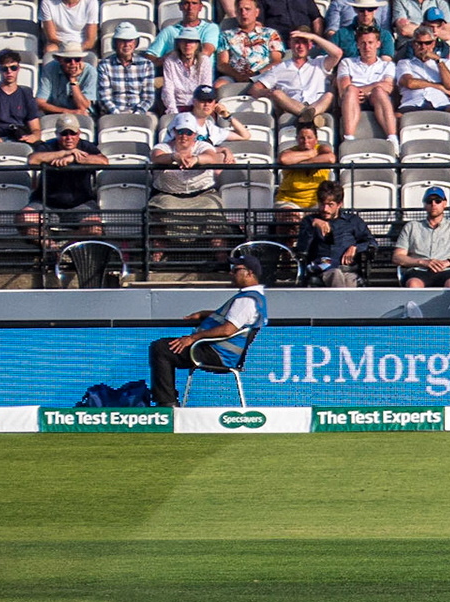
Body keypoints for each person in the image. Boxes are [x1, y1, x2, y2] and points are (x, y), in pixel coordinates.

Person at [147, 253, 266, 405]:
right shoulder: (255, 297)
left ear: (249, 273)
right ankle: (167, 402)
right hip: (219, 352)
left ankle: (167, 405)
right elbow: (233, 318)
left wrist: (192, 338)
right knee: (164, 347)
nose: (231, 273)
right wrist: (205, 314)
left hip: (217, 354)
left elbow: (227, 330)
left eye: (236, 270)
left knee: (161, 348)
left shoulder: (246, 300)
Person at [149, 114, 229, 256]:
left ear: (195, 134)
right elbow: (156, 156)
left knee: (215, 210)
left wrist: (196, 159)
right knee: (158, 211)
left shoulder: (203, 146)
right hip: (169, 195)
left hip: (202, 194)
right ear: (174, 132)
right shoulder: (163, 146)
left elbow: (210, 156)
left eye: (188, 132)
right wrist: (174, 157)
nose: (184, 136)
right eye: (180, 132)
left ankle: (221, 260)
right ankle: (155, 260)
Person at [23, 113, 106, 242]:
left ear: (78, 133)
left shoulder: (86, 146)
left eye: (72, 133)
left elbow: (103, 161)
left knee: (95, 229)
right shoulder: (48, 146)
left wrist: (74, 158)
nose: (69, 138)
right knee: (23, 219)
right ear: (57, 134)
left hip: (81, 204)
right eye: (64, 133)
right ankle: (51, 247)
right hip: (47, 203)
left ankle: (64, 245)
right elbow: (33, 160)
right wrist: (64, 153)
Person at [295, 177, 373, 283]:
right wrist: (313, 226)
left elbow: (371, 243)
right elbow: (302, 249)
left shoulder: (353, 221)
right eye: (322, 204)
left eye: (330, 205)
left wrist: (355, 247)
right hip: (322, 269)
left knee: (349, 281)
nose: (325, 209)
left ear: (339, 204)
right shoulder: (309, 221)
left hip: (348, 269)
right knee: (335, 274)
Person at [392, 185, 450, 283]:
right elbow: (397, 257)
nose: (433, 204)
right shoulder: (411, 227)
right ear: (424, 204)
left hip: (448, 270)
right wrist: (422, 262)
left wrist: (447, 263)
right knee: (413, 283)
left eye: (438, 201)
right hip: (419, 270)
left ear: (444, 203)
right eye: (429, 201)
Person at [326, 23, 396, 135]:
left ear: (378, 44)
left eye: (370, 43)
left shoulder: (387, 65)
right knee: (351, 92)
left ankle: (392, 138)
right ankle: (349, 137)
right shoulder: (347, 63)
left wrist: (361, 90)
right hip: (353, 101)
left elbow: (388, 87)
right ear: (357, 44)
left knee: (379, 92)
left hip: (377, 100)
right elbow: (344, 90)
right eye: (363, 43)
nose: (367, 47)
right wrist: (375, 85)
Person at [251, 30, 333, 120]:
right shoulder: (279, 68)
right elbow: (254, 89)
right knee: (277, 93)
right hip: (293, 107)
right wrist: (267, 92)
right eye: (297, 42)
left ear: (309, 45)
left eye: (304, 42)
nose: (300, 46)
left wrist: (314, 37)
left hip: (316, 105)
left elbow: (337, 54)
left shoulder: (319, 63)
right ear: (290, 44)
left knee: (329, 95)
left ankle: (308, 116)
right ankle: (308, 117)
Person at [274, 115, 334, 219]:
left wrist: (300, 164)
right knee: (290, 218)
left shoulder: (322, 148)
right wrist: (311, 154)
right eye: (302, 138)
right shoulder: (291, 151)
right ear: (297, 139)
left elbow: (330, 158)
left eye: (309, 138)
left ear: (316, 139)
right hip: (289, 200)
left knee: (323, 217)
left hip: (317, 202)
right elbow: (284, 159)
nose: (306, 141)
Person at [218, 0, 284, 89]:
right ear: (236, 13)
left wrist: (257, 74)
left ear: (257, 12)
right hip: (235, 76)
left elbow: (276, 61)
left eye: (247, 9)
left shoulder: (270, 34)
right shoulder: (226, 35)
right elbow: (222, 64)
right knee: (218, 86)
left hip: (263, 75)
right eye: (240, 10)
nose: (243, 13)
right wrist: (238, 76)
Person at [96, 24, 158, 114]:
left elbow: (148, 97)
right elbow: (104, 97)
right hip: (113, 114)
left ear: (136, 43)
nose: (126, 45)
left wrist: (137, 113)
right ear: (115, 43)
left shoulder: (146, 64)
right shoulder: (105, 65)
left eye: (130, 40)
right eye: (122, 41)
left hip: (140, 113)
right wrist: (117, 114)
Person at [394, 24, 450, 112]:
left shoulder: (445, 63)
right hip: (413, 103)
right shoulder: (404, 63)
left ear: (433, 44)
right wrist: (439, 86)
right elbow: (410, 83)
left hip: (440, 103)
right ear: (413, 44)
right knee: (396, 118)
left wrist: (437, 60)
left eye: (427, 43)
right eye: (419, 43)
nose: (423, 47)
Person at [159, 29, 215, 115]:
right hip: (178, 105)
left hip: (199, 106)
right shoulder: (170, 61)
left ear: (197, 45)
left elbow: (205, 87)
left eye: (191, 42)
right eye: (184, 41)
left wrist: (199, 111)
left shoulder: (205, 61)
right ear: (179, 44)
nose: (187, 45)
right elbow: (168, 89)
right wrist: (173, 111)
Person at [0, 52, 42, 142]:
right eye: (4, 68)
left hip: (20, 135)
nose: (9, 72)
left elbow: (35, 128)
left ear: (18, 69)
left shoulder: (26, 93)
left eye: (13, 68)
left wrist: (34, 136)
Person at [148, 0, 222, 61]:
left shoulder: (210, 28)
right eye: (186, 3)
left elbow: (206, 52)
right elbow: (150, 56)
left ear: (200, 7)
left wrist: (175, 56)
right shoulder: (169, 31)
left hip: (203, 75)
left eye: (194, 3)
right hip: (173, 75)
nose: (190, 7)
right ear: (180, 6)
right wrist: (167, 61)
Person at [36, 46, 97, 118]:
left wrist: (73, 79)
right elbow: (40, 103)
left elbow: (83, 107)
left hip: (82, 115)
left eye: (77, 59)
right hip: (54, 114)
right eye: (68, 60)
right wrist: (68, 112)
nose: (73, 63)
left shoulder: (90, 72)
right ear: (60, 60)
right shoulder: (49, 69)